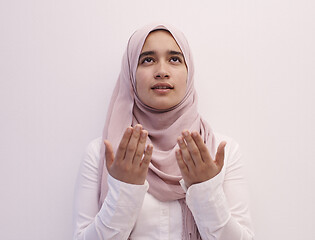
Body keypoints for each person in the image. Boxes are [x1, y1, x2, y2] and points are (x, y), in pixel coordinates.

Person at [73, 23, 254, 240]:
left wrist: (206, 190)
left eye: (175, 59)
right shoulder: (103, 154)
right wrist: (124, 191)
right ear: (131, 73)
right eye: (148, 59)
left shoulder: (218, 152)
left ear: (189, 72)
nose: (161, 71)